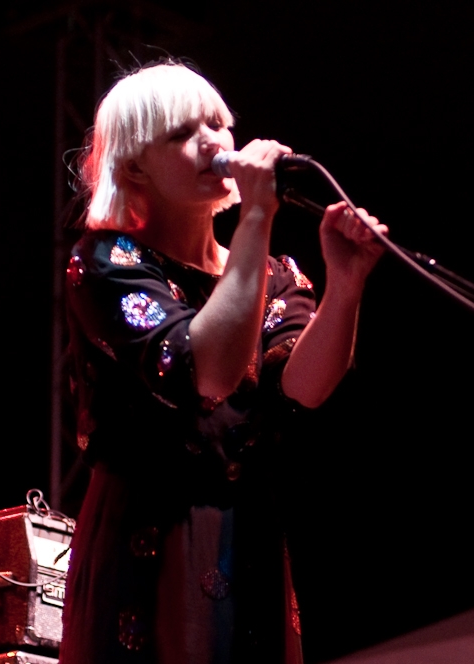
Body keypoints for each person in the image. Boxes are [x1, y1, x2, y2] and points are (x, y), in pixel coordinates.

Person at [60, 60, 387, 664]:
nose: (215, 142)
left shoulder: (273, 272)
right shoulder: (106, 261)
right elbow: (205, 371)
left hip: (248, 532)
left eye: (219, 124)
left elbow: (306, 387)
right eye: (185, 133)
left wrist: (345, 287)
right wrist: (258, 215)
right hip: (147, 539)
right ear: (134, 167)